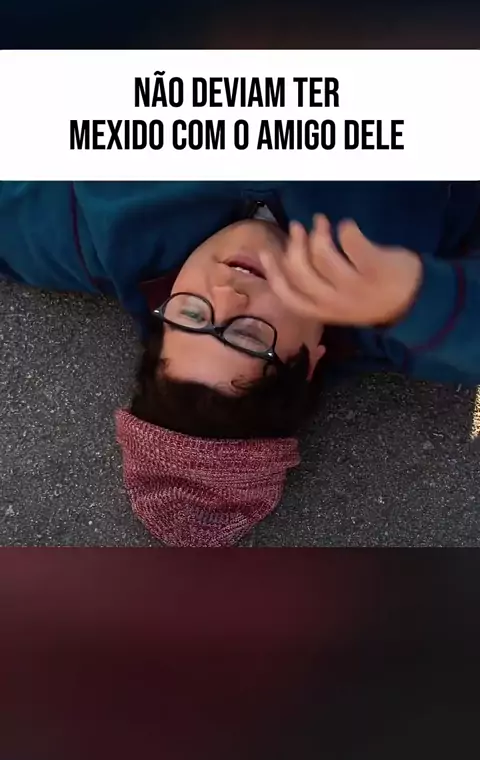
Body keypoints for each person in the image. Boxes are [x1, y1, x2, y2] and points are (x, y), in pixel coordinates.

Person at [1, 181, 479, 546]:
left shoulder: (92, 242)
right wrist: (418, 301)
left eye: (191, 315)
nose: (227, 294)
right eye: (248, 334)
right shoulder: (411, 310)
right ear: (310, 363)